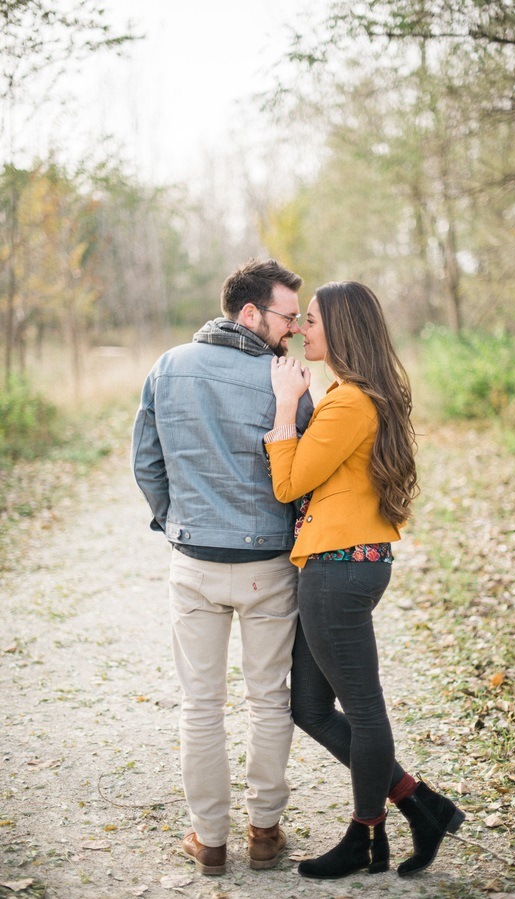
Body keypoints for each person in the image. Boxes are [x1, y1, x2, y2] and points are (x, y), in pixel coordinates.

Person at [263, 281, 465, 880]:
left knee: (365, 710)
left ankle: (365, 837)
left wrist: (282, 402)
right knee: (309, 707)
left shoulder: (349, 401)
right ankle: (419, 804)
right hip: (336, 566)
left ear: (344, 329)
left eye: (315, 320)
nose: (304, 329)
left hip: (340, 570)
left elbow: (288, 483)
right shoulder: (355, 396)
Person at [131, 258, 314, 876]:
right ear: (249, 313)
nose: (292, 328)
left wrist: (177, 524)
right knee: (268, 699)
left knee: (200, 705)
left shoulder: (167, 366)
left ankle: (210, 840)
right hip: (267, 563)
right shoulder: (285, 381)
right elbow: (305, 475)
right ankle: (264, 832)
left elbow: (147, 464)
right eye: (287, 315)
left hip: (195, 563)